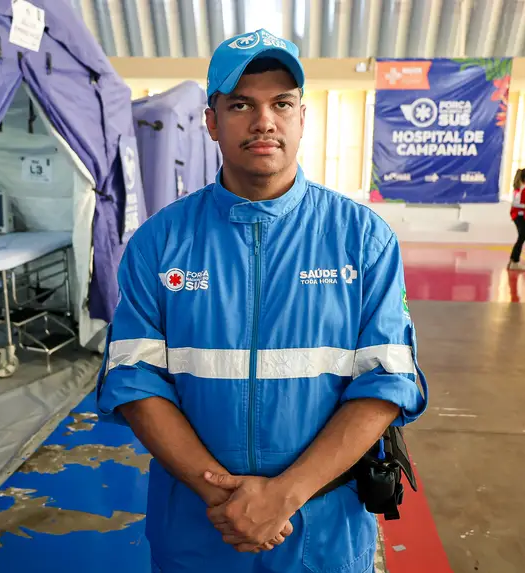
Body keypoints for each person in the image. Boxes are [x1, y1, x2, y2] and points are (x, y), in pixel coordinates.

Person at [98, 28, 428, 573]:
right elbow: (134, 380)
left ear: (303, 118)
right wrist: (222, 499)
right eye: (241, 105)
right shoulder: (158, 244)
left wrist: (283, 497)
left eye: (281, 103)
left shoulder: (362, 239)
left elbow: (387, 382)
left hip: (322, 532)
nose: (263, 121)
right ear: (211, 122)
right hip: (200, 531)